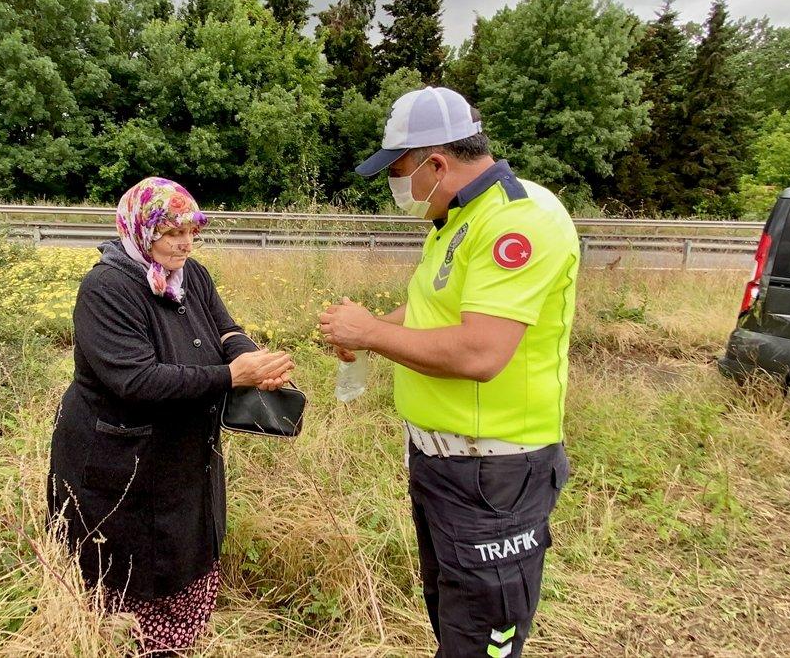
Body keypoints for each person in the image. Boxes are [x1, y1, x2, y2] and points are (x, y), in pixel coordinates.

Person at [319, 87, 579, 658]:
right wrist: (369, 332)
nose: (396, 185)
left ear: (436, 163)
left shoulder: (519, 221)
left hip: (494, 473)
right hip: (443, 463)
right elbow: (430, 314)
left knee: (482, 637)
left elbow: (480, 353)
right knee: (452, 615)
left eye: (399, 170)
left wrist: (370, 333)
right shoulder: (454, 221)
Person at [48, 177, 294, 655]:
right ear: (141, 230)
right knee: (125, 578)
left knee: (185, 556)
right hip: (121, 459)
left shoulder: (192, 275)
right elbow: (135, 380)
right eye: (170, 232)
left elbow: (226, 331)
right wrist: (229, 377)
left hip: (182, 454)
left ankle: (173, 646)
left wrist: (253, 360)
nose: (184, 242)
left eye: (191, 230)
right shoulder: (109, 286)